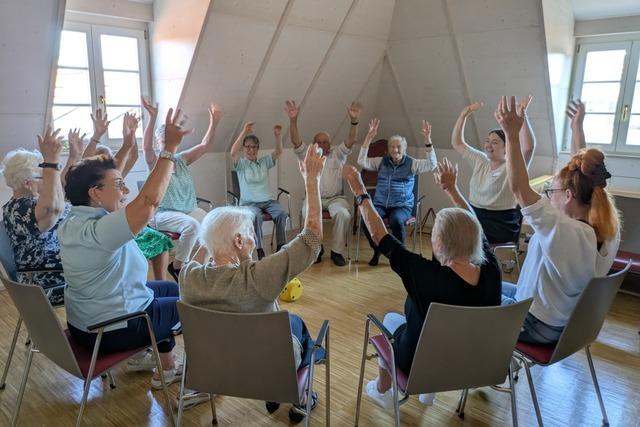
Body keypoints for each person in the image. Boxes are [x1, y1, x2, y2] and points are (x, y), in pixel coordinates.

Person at [180, 144, 326, 419]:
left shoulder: (188, 278)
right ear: (238, 240)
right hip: (266, 369)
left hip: (218, 372)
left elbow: (196, 255)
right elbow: (312, 237)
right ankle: (300, 395)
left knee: (291, 321)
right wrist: (312, 181)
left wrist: (215, 238)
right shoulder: (259, 278)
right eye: (250, 232)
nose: (254, 237)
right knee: (299, 329)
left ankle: (279, 390)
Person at [343, 158, 501, 409]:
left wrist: (360, 192)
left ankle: (382, 390)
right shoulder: (492, 269)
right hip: (475, 364)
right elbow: (476, 226)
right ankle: (428, 392)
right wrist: (452, 190)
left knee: (390, 321)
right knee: (433, 334)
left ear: (440, 243)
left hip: (422, 365)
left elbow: (380, 236)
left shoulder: (425, 275)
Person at [58, 107, 190, 388]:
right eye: (119, 185)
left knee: (167, 289)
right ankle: (203, 376)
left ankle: (165, 368)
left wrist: (129, 142)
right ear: (95, 194)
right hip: (110, 331)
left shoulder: (75, 218)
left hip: (86, 322)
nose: (126, 190)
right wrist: (169, 148)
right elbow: (149, 201)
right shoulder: (99, 231)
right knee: (194, 306)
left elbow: (102, 177)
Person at [496, 96, 621, 344]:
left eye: (550, 192)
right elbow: (583, 178)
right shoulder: (607, 230)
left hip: (534, 324)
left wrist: (511, 136)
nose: (548, 197)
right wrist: (577, 128)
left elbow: (519, 189)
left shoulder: (562, 230)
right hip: (565, 323)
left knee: (469, 290)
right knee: (488, 283)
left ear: (568, 195)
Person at [142, 98, 222, 281]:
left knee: (215, 225)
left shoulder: (181, 159)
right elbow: (146, 147)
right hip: (162, 213)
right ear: (158, 142)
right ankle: (178, 267)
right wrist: (152, 118)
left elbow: (204, 146)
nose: (166, 144)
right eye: (163, 141)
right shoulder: (156, 162)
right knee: (192, 226)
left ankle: (202, 266)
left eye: (170, 140)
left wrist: (214, 122)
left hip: (189, 210)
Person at [1, 126, 74, 304]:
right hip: (47, 283)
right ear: (28, 183)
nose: (48, 180)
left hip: (55, 274)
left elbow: (59, 191)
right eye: (43, 176)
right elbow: (53, 209)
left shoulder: (23, 205)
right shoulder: (22, 208)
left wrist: (74, 156)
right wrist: (51, 162)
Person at [285, 99, 361, 266]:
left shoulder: (337, 154)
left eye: (324, 141)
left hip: (336, 199)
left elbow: (351, 140)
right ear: (314, 144)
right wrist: (293, 120)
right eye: (318, 142)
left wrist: (354, 121)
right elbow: (296, 141)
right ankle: (316, 250)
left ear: (329, 144)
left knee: (343, 215)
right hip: (314, 198)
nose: (321, 144)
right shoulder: (308, 154)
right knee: (306, 213)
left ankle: (337, 252)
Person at [451, 97, 536, 244]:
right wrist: (463, 114)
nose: (489, 145)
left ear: (506, 148)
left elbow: (528, 148)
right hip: (473, 214)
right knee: (445, 232)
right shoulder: (480, 159)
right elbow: (457, 143)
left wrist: (522, 115)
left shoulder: (512, 164)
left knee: (463, 238)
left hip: (500, 222)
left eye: (495, 142)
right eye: (487, 141)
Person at [357, 118, 438, 266]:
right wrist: (368, 138)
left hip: (402, 206)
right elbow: (361, 161)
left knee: (396, 219)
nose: (395, 150)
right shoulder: (381, 161)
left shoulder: (412, 163)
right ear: (388, 150)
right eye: (392, 147)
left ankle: (400, 255)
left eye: (398, 147)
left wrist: (428, 140)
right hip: (380, 204)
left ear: (404, 149)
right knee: (366, 219)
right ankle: (378, 249)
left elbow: (432, 164)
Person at [92, 144, 174, 281]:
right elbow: (149, 202)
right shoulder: (93, 184)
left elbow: (134, 156)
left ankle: (161, 281)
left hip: (125, 221)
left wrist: (131, 137)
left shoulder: (115, 174)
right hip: (114, 228)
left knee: (161, 240)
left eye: (108, 160)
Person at [230, 121, 288, 260]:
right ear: (244, 148)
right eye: (248, 147)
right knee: (256, 216)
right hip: (249, 204)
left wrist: (278, 136)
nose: (251, 150)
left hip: (268, 201)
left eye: (254, 147)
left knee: (281, 213)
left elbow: (278, 152)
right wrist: (244, 131)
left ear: (258, 148)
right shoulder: (241, 164)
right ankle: (260, 249)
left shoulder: (264, 162)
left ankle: (281, 246)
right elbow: (233, 152)